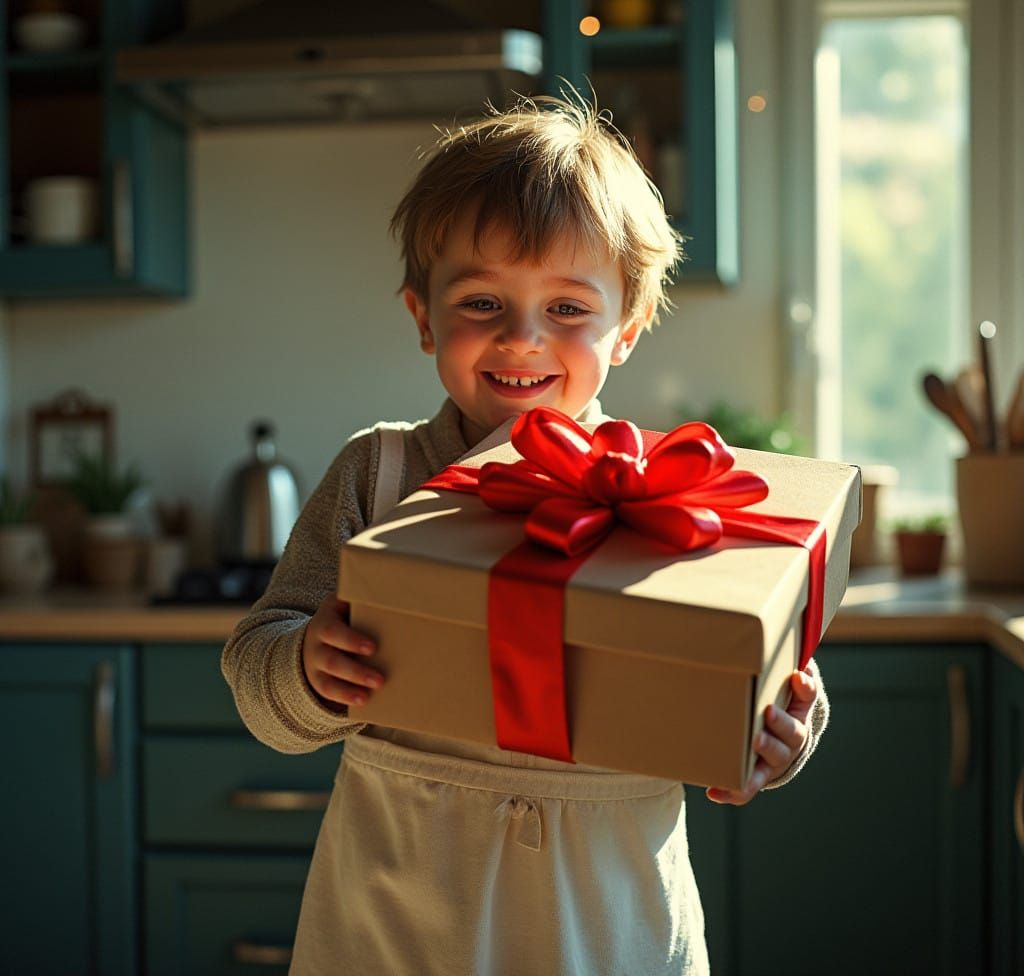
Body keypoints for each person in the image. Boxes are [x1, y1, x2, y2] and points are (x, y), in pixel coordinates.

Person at [222, 92, 829, 976]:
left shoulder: (679, 494)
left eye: (569, 310)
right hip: (398, 917)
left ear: (628, 327)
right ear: (422, 314)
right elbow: (256, 672)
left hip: (610, 914)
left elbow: (769, 671)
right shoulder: (380, 474)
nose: (522, 338)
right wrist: (307, 667)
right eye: (480, 301)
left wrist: (782, 730)